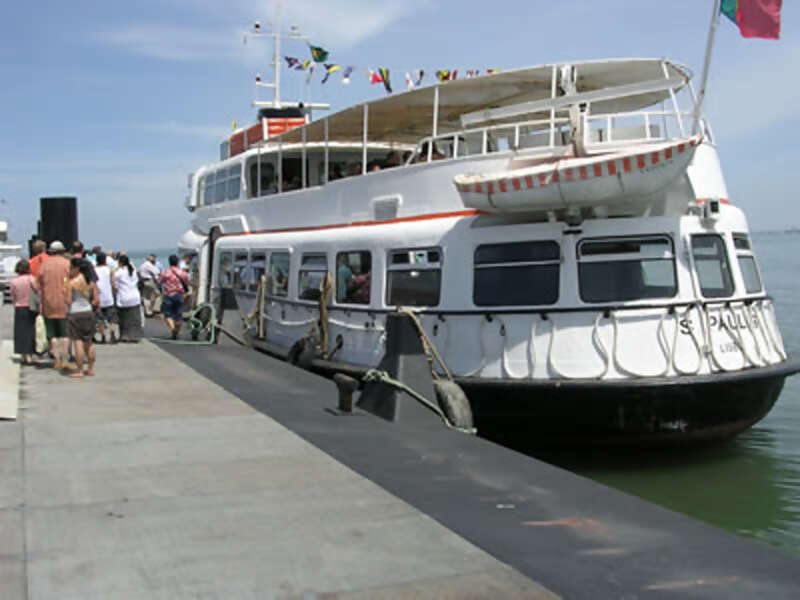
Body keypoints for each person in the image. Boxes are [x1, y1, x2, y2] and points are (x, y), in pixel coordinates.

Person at [37, 241, 71, 369]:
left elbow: (36, 285)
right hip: (65, 303)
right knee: (65, 334)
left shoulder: (44, 265)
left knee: (52, 335)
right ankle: (65, 359)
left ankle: (56, 360)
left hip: (48, 303)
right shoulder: (67, 264)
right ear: (62, 251)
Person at [65, 258, 98, 378]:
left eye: (71, 268)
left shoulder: (72, 282)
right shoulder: (90, 282)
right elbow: (96, 299)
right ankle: (90, 369)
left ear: (76, 269)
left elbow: (68, 301)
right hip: (88, 311)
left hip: (75, 312)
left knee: (77, 342)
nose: (69, 270)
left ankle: (80, 370)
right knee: (89, 342)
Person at [9, 259, 37, 365]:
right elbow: (37, 291)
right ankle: (30, 355)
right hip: (31, 307)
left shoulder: (14, 281)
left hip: (19, 307)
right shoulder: (32, 279)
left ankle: (23, 354)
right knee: (31, 331)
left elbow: (13, 296)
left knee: (21, 332)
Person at [158, 254, 190, 339]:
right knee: (178, 315)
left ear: (169, 262)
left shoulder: (165, 273)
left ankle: (173, 329)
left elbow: (159, 282)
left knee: (167, 315)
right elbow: (187, 282)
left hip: (168, 295)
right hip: (179, 295)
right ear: (177, 262)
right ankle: (176, 330)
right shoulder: (183, 273)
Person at [114, 255, 143, 342]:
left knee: (124, 318)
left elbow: (112, 278)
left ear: (120, 263)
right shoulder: (133, 270)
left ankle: (125, 336)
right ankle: (136, 336)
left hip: (124, 297)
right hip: (135, 296)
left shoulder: (120, 272)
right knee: (135, 318)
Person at [94, 252, 117, 343]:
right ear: (105, 260)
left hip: (98, 298)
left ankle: (103, 336)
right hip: (108, 298)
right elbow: (113, 284)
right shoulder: (109, 270)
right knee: (112, 319)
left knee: (100, 319)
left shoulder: (94, 270)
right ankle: (112, 335)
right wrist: (114, 294)